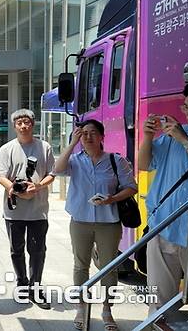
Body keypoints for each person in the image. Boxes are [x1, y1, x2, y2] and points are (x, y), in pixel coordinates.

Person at [54, 119, 137, 330]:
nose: (88, 137)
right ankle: (81, 307)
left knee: (109, 267)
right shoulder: (74, 160)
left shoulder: (116, 161)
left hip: (109, 222)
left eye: (93, 133)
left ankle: (107, 310)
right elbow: (57, 169)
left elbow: (131, 187)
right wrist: (72, 143)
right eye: (84, 134)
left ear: (102, 137)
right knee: (80, 265)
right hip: (80, 220)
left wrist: (112, 199)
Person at [138, 81, 188, 321]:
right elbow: (143, 164)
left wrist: (184, 139)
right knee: (158, 298)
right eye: (187, 107)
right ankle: (158, 322)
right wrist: (148, 136)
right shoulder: (172, 136)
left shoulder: (180, 135)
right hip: (164, 224)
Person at [0, 109, 55, 309]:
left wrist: (37, 186)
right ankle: (22, 284)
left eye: (26, 122)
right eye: (19, 122)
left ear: (33, 124)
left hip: (38, 210)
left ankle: (36, 288)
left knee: (38, 251)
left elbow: (52, 174)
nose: (23, 126)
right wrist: (12, 188)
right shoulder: (7, 148)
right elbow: (0, 175)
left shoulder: (44, 147)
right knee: (16, 250)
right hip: (14, 210)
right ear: (14, 126)